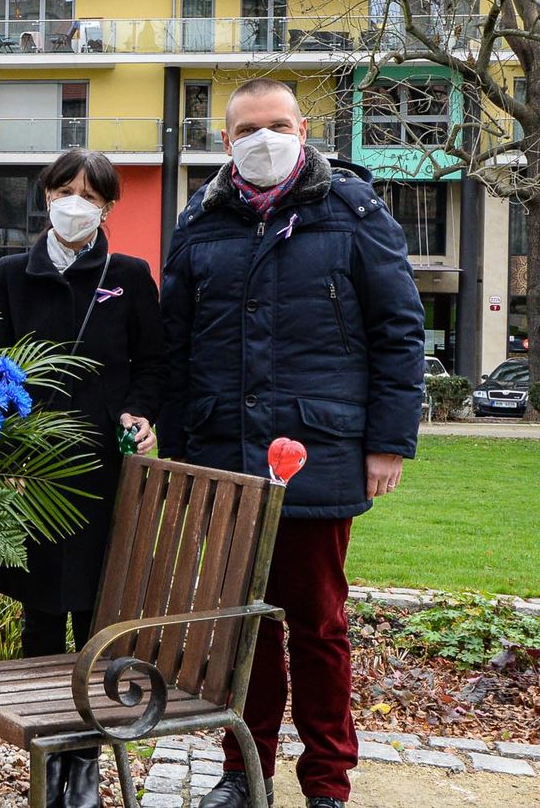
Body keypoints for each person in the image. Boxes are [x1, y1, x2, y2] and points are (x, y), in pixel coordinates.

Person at [158, 78, 424, 808]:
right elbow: (176, 348)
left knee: (317, 624)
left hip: (319, 451)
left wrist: (388, 442)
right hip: (222, 455)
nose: (263, 138)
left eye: (278, 124)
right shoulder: (200, 221)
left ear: (303, 130)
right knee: (241, 628)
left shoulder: (354, 211)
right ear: (225, 141)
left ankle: (328, 783)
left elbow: (399, 332)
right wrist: (178, 451)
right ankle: (244, 772)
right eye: (248, 128)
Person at [0, 148, 168, 808]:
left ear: (108, 206)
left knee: (95, 613)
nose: (75, 204)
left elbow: (153, 364)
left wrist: (139, 413)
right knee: (39, 614)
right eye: (64, 191)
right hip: (32, 474)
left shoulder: (130, 275)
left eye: (89, 195)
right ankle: (49, 750)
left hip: (101, 470)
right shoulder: (10, 274)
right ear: (45, 196)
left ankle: (85, 758)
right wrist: (7, 442)